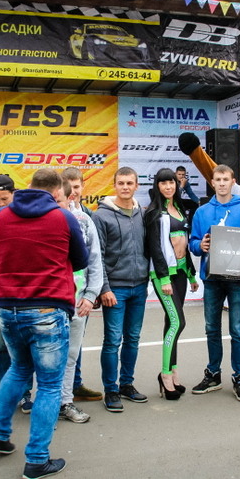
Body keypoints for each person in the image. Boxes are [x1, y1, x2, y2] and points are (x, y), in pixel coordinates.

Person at [0, 168, 88, 479]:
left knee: (18, 369)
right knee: (50, 385)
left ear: (29, 186)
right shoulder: (63, 217)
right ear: (56, 192)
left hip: (8, 307)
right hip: (47, 307)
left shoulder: (0, 217)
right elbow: (80, 260)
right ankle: (37, 459)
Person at [189, 164, 240, 402]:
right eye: (218, 179)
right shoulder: (202, 212)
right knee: (211, 328)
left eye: (225, 179)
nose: (221, 183)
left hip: (238, 279)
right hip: (212, 279)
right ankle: (213, 374)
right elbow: (193, 242)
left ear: (233, 182)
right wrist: (199, 245)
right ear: (212, 183)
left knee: (237, 330)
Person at [93, 166, 150, 413]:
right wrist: (104, 288)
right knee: (112, 340)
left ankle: (127, 384)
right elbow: (97, 256)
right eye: (121, 183)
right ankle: (111, 389)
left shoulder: (143, 214)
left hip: (139, 287)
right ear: (114, 185)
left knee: (133, 339)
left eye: (129, 183)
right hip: (114, 289)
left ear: (137, 185)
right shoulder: (101, 216)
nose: (125, 187)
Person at [145, 168, 199, 400]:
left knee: (171, 323)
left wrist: (192, 275)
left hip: (181, 273)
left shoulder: (178, 207)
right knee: (178, 322)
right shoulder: (153, 213)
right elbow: (155, 248)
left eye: (172, 183)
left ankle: (173, 371)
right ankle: (165, 375)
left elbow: (183, 243)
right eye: (164, 183)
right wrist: (164, 278)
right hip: (164, 276)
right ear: (157, 186)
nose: (168, 187)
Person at [0, 174, 35, 413]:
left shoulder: (26, 217)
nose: (1, 204)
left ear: (14, 194)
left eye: (5, 199)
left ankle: (25, 394)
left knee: (25, 345)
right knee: (2, 345)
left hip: (27, 290)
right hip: (1, 292)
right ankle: (8, 393)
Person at [55, 176, 102, 423]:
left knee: (71, 355)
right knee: (47, 358)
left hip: (77, 301)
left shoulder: (84, 220)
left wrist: (90, 295)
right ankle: (47, 404)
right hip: (49, 304)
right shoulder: (42, 220)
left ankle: (65, 402)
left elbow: (95, 259)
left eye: (60, 200)